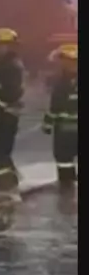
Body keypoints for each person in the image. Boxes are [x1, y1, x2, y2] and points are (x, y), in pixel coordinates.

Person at [0, 28, 24, 196]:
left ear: (8, 46)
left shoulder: (10, 66)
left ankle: (7, 186)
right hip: (1, 113)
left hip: (4, 115)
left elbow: (11, 92)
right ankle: (10, 181)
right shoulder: (1, 64)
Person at [43, 43, 78, 196]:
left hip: (65, 129)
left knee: (64, 158)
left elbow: (56, 105)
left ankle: (67, 187)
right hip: (64, 128)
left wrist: (47, 124)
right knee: (64, 160)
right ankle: (67, 187)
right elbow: (55, 105)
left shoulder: (62, 81)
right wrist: (48, 123)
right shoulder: (61, 79)